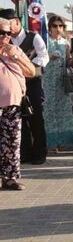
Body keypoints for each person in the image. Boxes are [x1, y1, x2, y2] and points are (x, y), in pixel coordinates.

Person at [0, 8, 50, 165]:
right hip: (12, 86)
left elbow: (44, 56)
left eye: (8, 26)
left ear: (16, 22)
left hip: (32, 82)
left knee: (35, 117)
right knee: (17, 120)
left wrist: (27, 65)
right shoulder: (4, 40)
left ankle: (39, 153)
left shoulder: (33, 37)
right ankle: (24, 153)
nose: (5, 33)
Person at [0, 16, 36, 190]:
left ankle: (10, 178)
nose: (5, 36)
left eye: (8, 33)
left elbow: (31, 72)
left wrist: (15, 57)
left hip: (13, 104)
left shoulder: (15, 50)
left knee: (12, 142)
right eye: (1, 32)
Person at [42, 17, 73, 150]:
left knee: (63, 110)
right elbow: (40, 59)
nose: (58, 28)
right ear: (50, 28)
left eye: (60, 26)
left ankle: (63, 140)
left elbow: (67, 62)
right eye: (55, 26)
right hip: (48, 79)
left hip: (62, 80)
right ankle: (52, 141)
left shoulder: (66, 43)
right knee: (50, 109)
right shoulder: (45, 41)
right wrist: (50, 57)